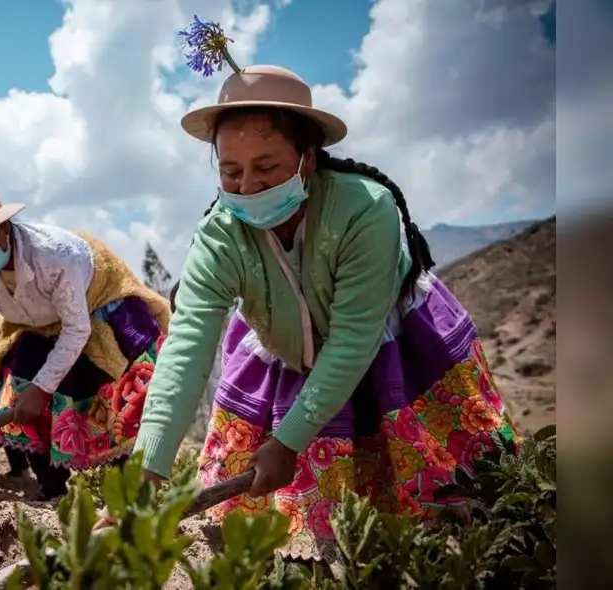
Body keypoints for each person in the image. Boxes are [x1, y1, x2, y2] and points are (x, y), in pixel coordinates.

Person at [128, 65, 520, 561]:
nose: (247, 186)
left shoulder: (364, 210)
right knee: (311, 525)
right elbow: (186, 347)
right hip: (287, 350)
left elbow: (354, 339)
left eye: (266, 168)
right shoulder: (219, 236)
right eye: (231, 171)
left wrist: (289, 439)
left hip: (389, 347)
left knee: (447, 502)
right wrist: (149, 467)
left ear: (307, 159)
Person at [0, 185, 171, 501]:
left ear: (3, 230)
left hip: (95, 309)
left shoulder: (54, 254)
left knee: (106, 397)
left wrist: (42, 390)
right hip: (33, 323)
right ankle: (52, 489)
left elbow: (75, 330)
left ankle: (127, 493)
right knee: (19, 388)